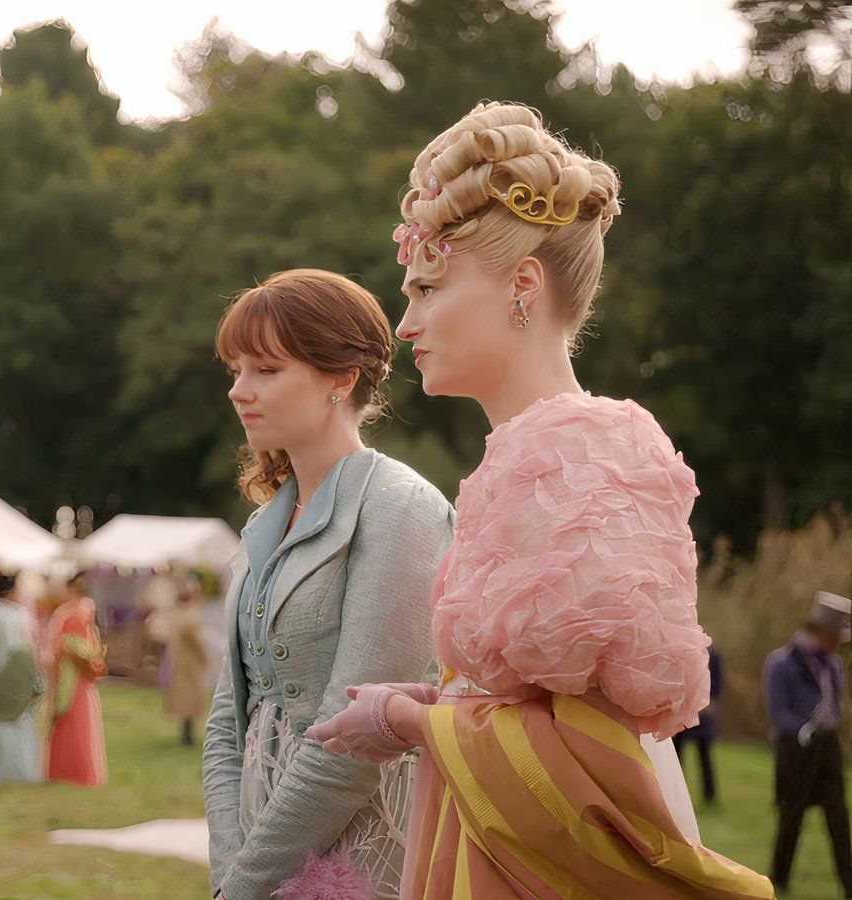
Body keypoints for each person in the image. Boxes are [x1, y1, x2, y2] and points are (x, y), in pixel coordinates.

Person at [306, 101, 771, 898]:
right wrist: (430, 699)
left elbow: (587, 750)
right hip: (496, 824)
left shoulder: (577, 456)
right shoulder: (534, 453)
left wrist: (413, 723)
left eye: (427, 287)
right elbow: (537, 699)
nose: (406, 322)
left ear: (524, 284)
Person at [202, 270, 453, 899]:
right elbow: (230, 714)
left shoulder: (400, 507)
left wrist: (245, 884)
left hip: (360, 848)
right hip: (257, 845)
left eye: (264, 369)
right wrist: (230, 867)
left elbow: (353, 741)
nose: (238, 390)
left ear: (340, 379)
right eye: (235, 369)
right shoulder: (264, 522)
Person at [763, 591, 852, 896]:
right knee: (791, 815)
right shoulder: (781, 663)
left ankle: (848, 880)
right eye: (836, 636)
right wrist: (803, 730)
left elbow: (836, 701)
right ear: (821, 632)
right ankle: (779, 880)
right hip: (795, 749)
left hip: (828, 747)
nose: (839, 644)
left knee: (839, 816)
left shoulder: (834, 665)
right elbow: (777, 712)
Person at [0, 574, 44, 783]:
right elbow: (22, 648)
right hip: (16, 674)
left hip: (0, 673)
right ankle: (19, 769)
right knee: (18, 717)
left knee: (2, 719)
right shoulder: (17, 614)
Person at [44, 572, 108, 787]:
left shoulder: (74, 612)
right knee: (74, 720)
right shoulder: (72, 613)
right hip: (75, 676)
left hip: (76, 676)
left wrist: (91, 663)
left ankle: (72, 769)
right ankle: (73, 769)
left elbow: (74, 646)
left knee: (76, 720)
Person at [674, 641, 724, 805]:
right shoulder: (679, 645)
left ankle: (709, 795)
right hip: (682, 709)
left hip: (703, 711)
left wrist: (709, 701)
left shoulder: (711, 649)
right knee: (678, 754)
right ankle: (675, 793)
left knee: (704, 753)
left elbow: (717, 681)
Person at [163, 578, 208, 747]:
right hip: (189, 662)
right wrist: (204, 657)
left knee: (185, 697)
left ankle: (187, 733)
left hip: (181, 661)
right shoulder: (190, 616)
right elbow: (196, 641)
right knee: (190, 698)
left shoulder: (178, 614)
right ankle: (188, 735)